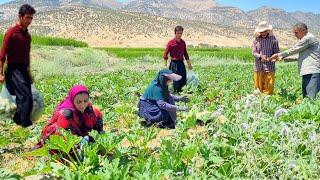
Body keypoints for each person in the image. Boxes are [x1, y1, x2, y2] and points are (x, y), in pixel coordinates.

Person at [34, 85, 104, 149]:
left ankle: (95, 138)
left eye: (85, 101)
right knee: (58, 133)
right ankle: (76, 148)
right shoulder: (66, 112)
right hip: (62, 135)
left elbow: (94, 118)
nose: (83, 105)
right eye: (78, 102)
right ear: (72, 100)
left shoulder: (88, 106)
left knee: (96, 111)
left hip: (78, 131)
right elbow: (60, 133)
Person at [0, 4, 36, 127]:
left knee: (27, 97)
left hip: (23, 69)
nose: (29, 21)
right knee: (25, 97)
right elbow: (2, 55)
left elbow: (27, 55)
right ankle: (25, 124)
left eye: (31, 18)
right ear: (20, 16)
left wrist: (29, 73)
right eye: (27, 17)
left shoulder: (27, 35)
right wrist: (0, 74)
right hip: (13, 69)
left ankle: (18, 119)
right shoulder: (11, 33)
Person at [270, 23, 320, 99]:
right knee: (306, 97)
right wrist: (283, 58)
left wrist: (279, 55)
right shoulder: (308, 40)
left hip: (312, 72)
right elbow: (302, 56)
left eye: (296, 32)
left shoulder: (308, 38)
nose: (295, 35)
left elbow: (294, 49)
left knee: (311, 98)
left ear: (304, 31)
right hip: (308, 72)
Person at [252, 21, 280, 95]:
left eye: (265, 31)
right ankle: (258, 102)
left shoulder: (273, 39)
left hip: (270, 66)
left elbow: (277, 52)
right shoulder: (256, 39)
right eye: (261, 32)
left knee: (269, 86)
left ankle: (267, 101)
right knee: (258, 87)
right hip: (258, 66)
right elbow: (254, 52)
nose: (263, 33)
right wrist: (261, 57)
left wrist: (272, 58)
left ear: (268, 30)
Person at [163, 26, 193, 93]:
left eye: (181, 33)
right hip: (174, 64)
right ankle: (174, 93)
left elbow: (185, 54)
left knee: (182, 78)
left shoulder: (183, 43)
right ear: (175, 33)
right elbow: (165, 55)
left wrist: (189, 64)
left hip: (181, 63)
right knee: (175, 80)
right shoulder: (171, 43)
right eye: (178, 33)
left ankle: (181, 92)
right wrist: (165, 65)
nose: (179, 35)